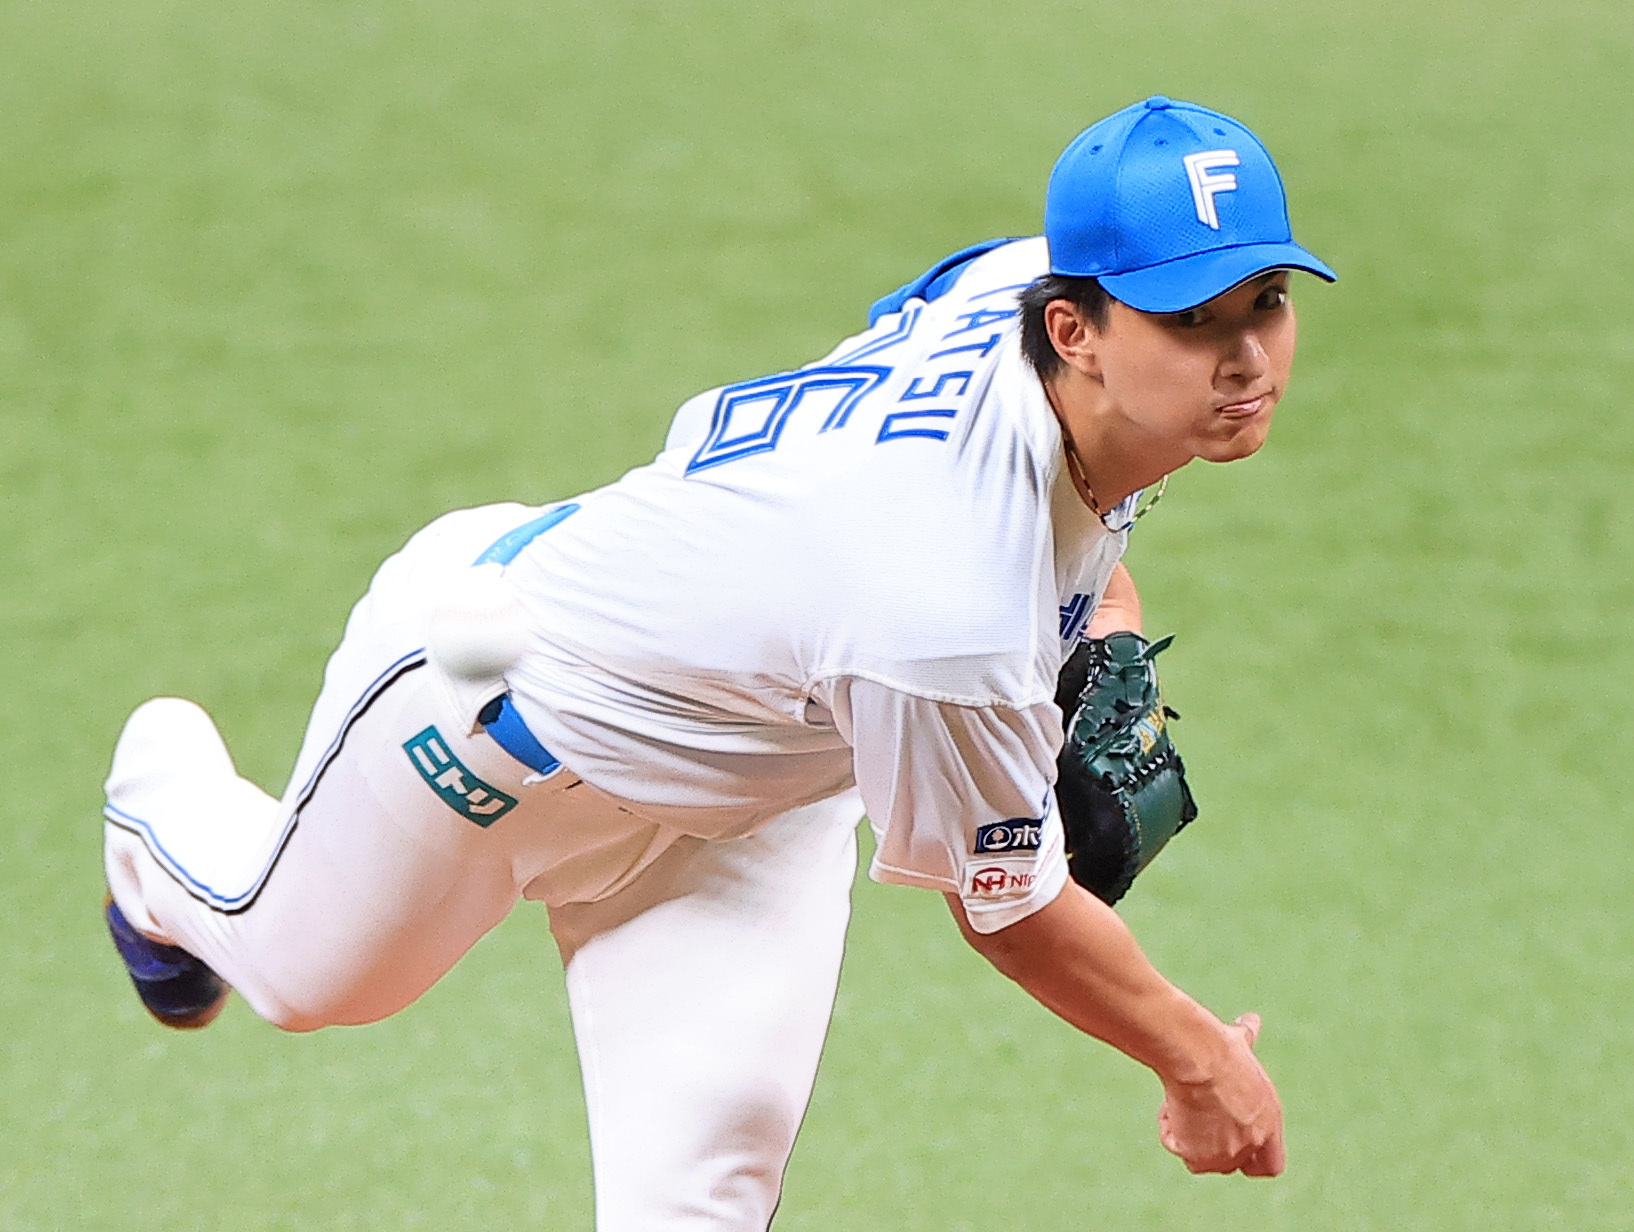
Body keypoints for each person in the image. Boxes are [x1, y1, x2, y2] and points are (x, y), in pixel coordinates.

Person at [102, 95, 1333, 1228]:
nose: (1243, 355)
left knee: (701, 1197)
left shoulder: (1018, 285)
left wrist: (1100, 625)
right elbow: (1008, 910)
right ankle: (157, 819)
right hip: (492, 709)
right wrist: (1201, 1063)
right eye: (1189, 318)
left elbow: (1042, 488)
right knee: (310, 982)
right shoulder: (943, 607)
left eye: (1264, 299)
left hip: (761, 783)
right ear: (1075, 330)